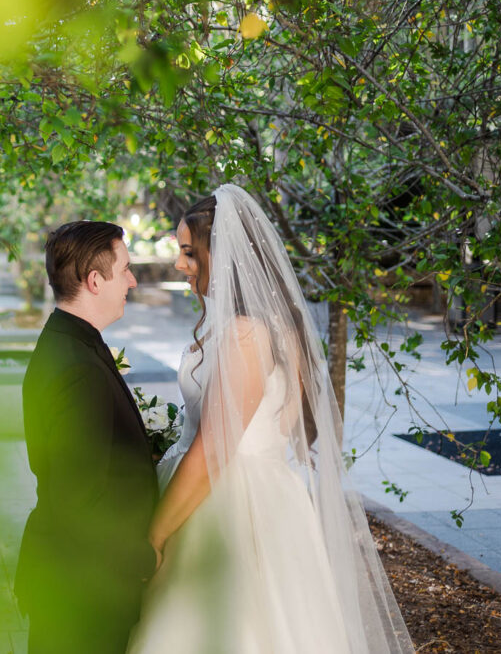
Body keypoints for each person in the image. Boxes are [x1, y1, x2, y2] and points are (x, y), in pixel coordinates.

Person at [128, 185, 414, 653]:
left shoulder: (246, 334)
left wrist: (154, 536)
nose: (180, 265)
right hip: (265, 494)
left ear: (224, 257)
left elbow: (217, 449)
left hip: (230, 507)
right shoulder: (269, 327)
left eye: (189, 253)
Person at [15, 220, 159, 654]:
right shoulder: (77, 368)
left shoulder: (70, 343)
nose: (132, 281)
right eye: (126, 269)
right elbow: (80, 500)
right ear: (95, 281)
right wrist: (142, 559)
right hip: (82, 590)